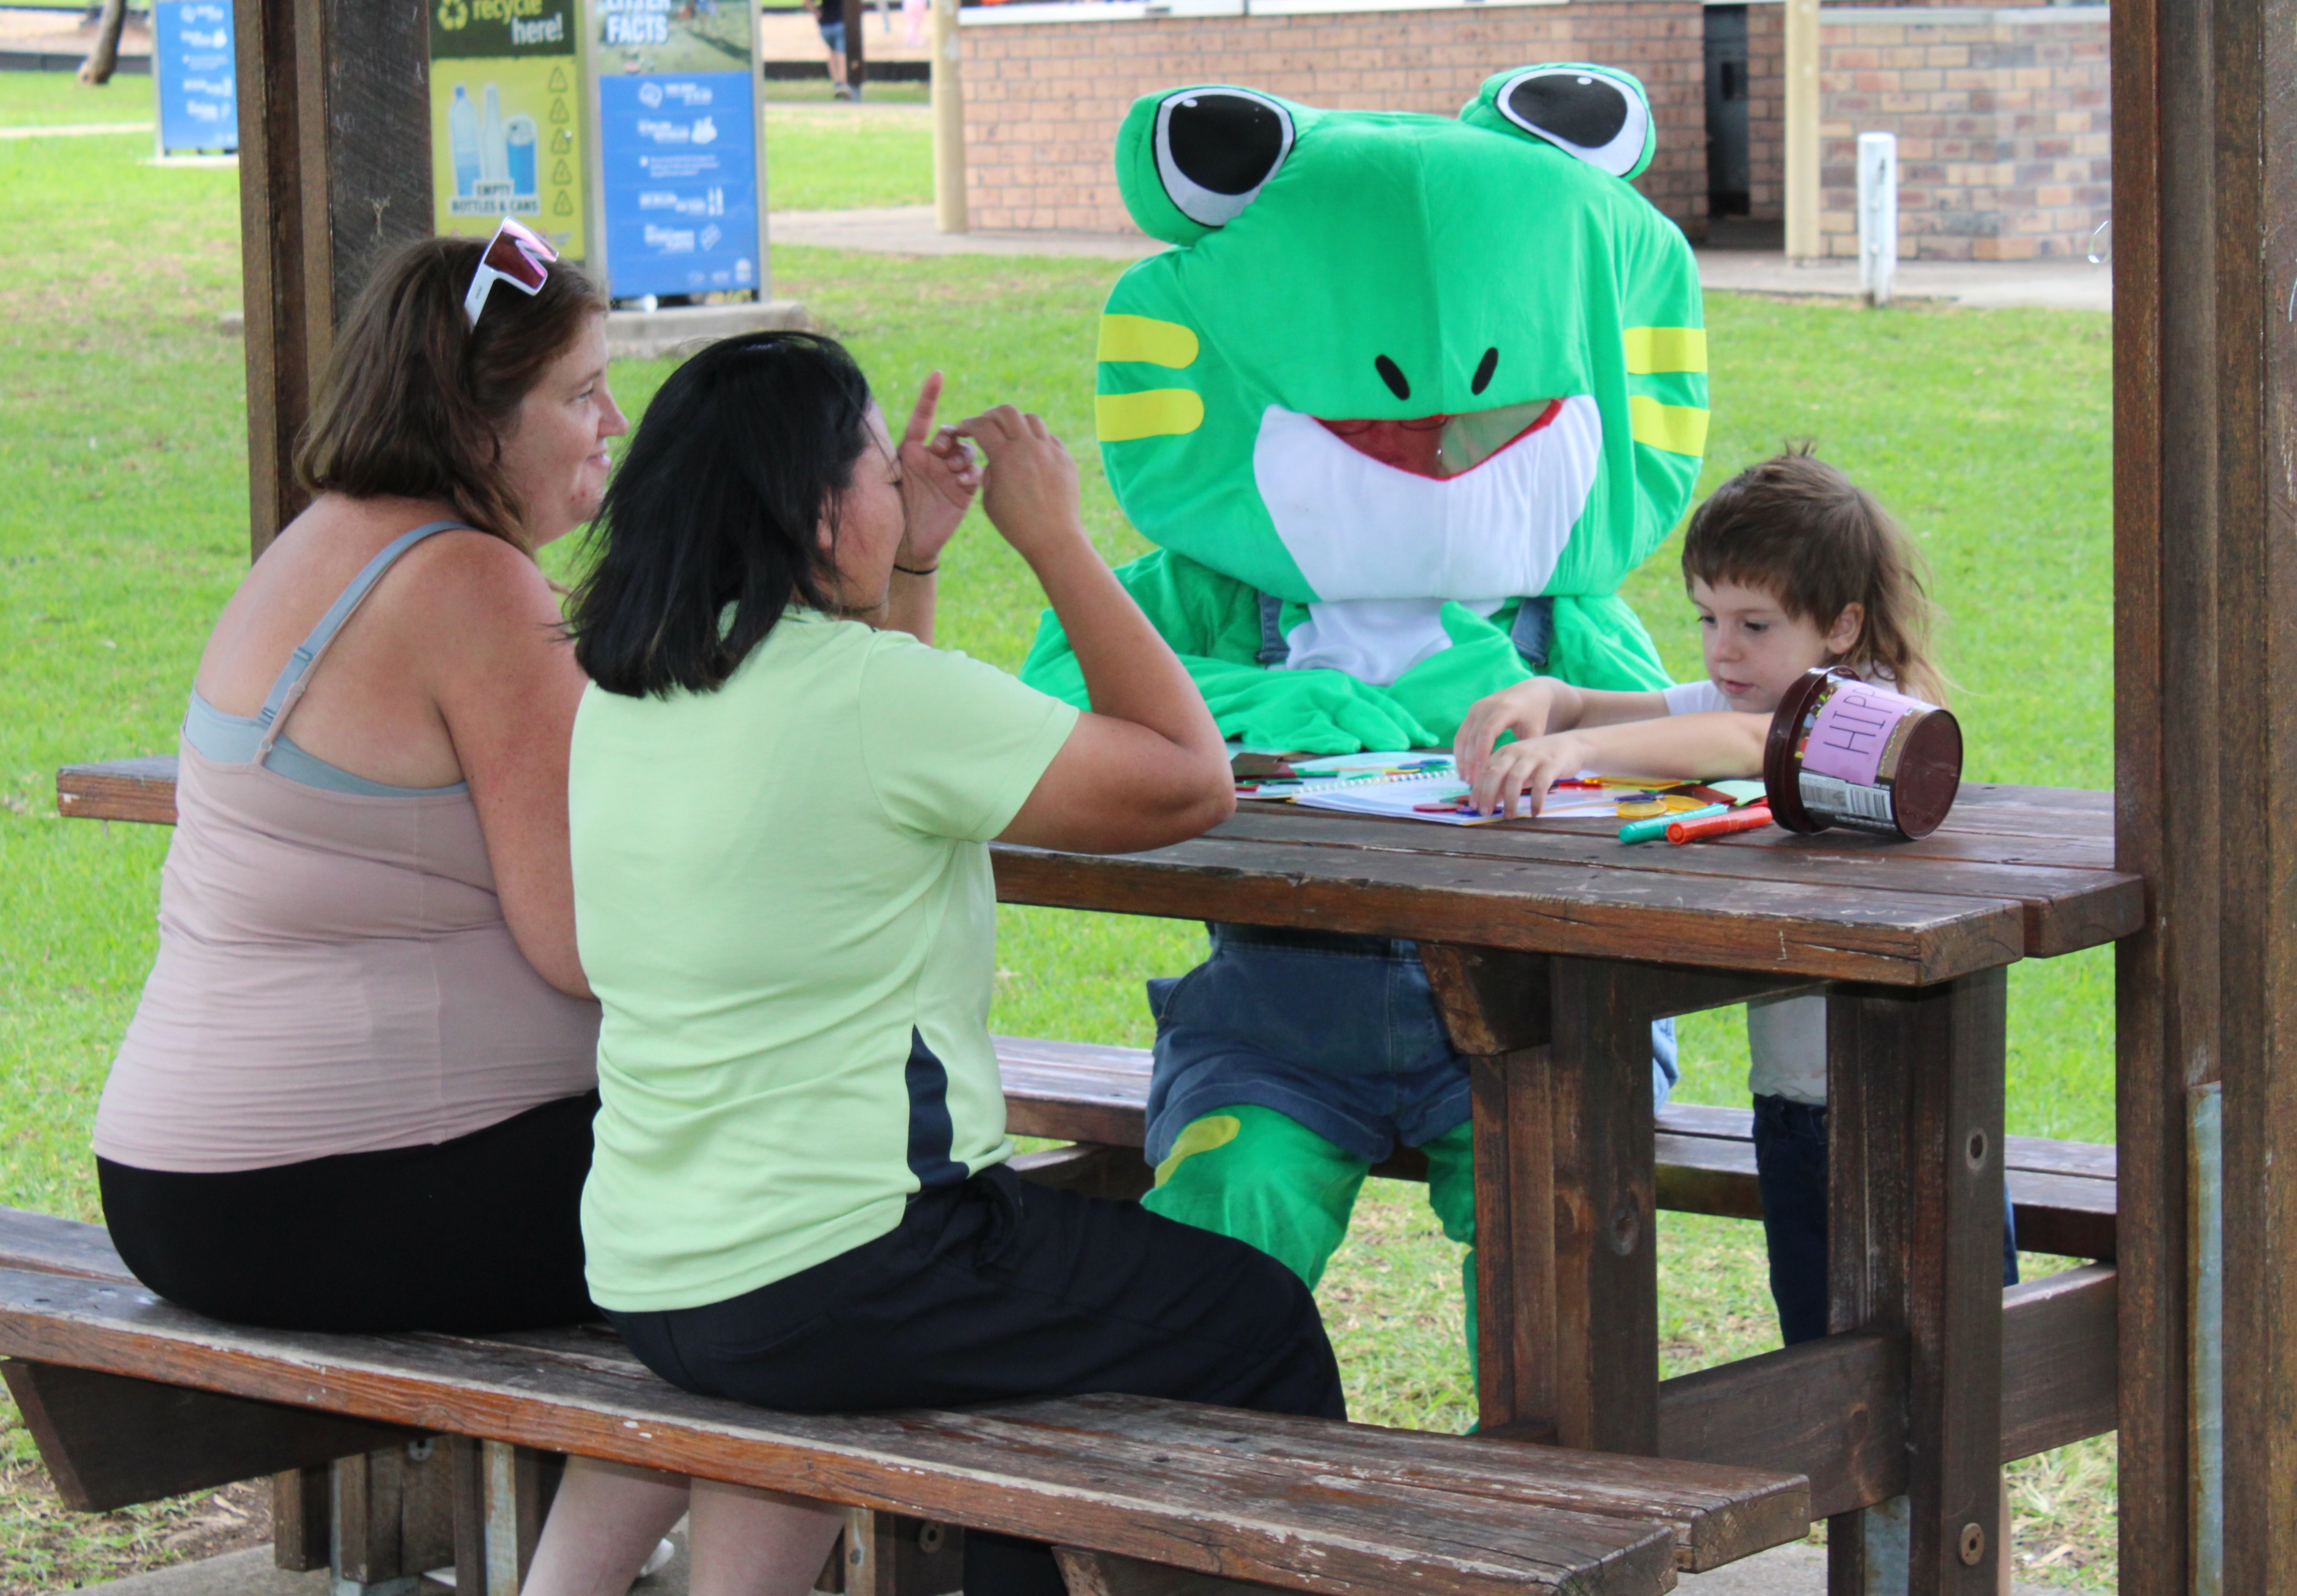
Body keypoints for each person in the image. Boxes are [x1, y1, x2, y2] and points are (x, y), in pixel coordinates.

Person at [91, 224, 840, 1596]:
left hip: (187, 1185)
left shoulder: (326, 544)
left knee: (752, 1205)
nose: (613, 421)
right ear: (470, 418)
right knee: (810, 1226)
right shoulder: (469, 585)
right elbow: (582, 941)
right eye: (579, 392)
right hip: (324, 1196)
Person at [565, 330, 1346, 1596]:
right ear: (817, 514)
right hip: (853, 1262)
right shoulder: (863, 696)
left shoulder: (638, 686)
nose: (896, 484)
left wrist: (912, 556)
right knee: (1251, 1322)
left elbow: (889, 759)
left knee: (1074, 1327)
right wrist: (1054, 541)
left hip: (660, 1268)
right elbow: (1186, 778)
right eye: (879, 470)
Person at [1452, 447, 2016, 1344]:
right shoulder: (1764, 692)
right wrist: (1555, 700)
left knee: (1951, 1381)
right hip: (1796, 1113)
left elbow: (1749, 742)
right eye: (1708, 618)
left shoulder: (1876, 716)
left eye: (1754, 625)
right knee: (1826, 1370)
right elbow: (1642, 713)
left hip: (1902, 1109)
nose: (1723, 649)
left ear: (1842, 626)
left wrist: (1583, 755)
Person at [804, 0, 853, 101]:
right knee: (841, 53)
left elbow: (807, 2)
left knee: (832, 53)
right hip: (839, 22)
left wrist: (816, 13)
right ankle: (843, 82)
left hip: (825, 25)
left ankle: (836, 83)